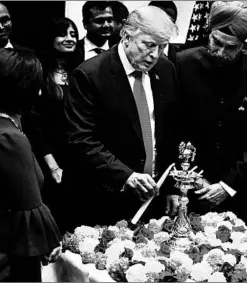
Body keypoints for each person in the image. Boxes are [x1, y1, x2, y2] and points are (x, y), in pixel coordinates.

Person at [63, 6, 179, 229]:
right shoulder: (89, 74)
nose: (155, 55)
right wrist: (126, 176)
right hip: (104, 197)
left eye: (162, 47)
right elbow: (81, 139)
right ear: (126, 36)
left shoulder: (165, 69)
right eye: (149, 45)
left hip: (152, 198)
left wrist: (171, 186)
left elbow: (170, 133)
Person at [167, 1, 247, 222]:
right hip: (187, 185)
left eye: (231, 47)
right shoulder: (183, 62)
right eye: (216, 42)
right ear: (210, 33)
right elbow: (172, 126)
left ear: (242, 44)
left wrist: (227, 185)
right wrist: (190, 179)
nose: (220, 52)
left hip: (236, 189)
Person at [0, 48, 62, 282]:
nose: (41, 90)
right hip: (12, 250)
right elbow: (29, 203)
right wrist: (51, 240)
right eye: (37, 84)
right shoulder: (8, 137)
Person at [25, 17, 79, 234]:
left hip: (79, 155)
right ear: (51, 38)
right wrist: (53, 165)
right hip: (49, 158)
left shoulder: (83, 70)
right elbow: (33, 126)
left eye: (73, 34)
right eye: (63, 34)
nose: (69, 39)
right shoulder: (38, 73)